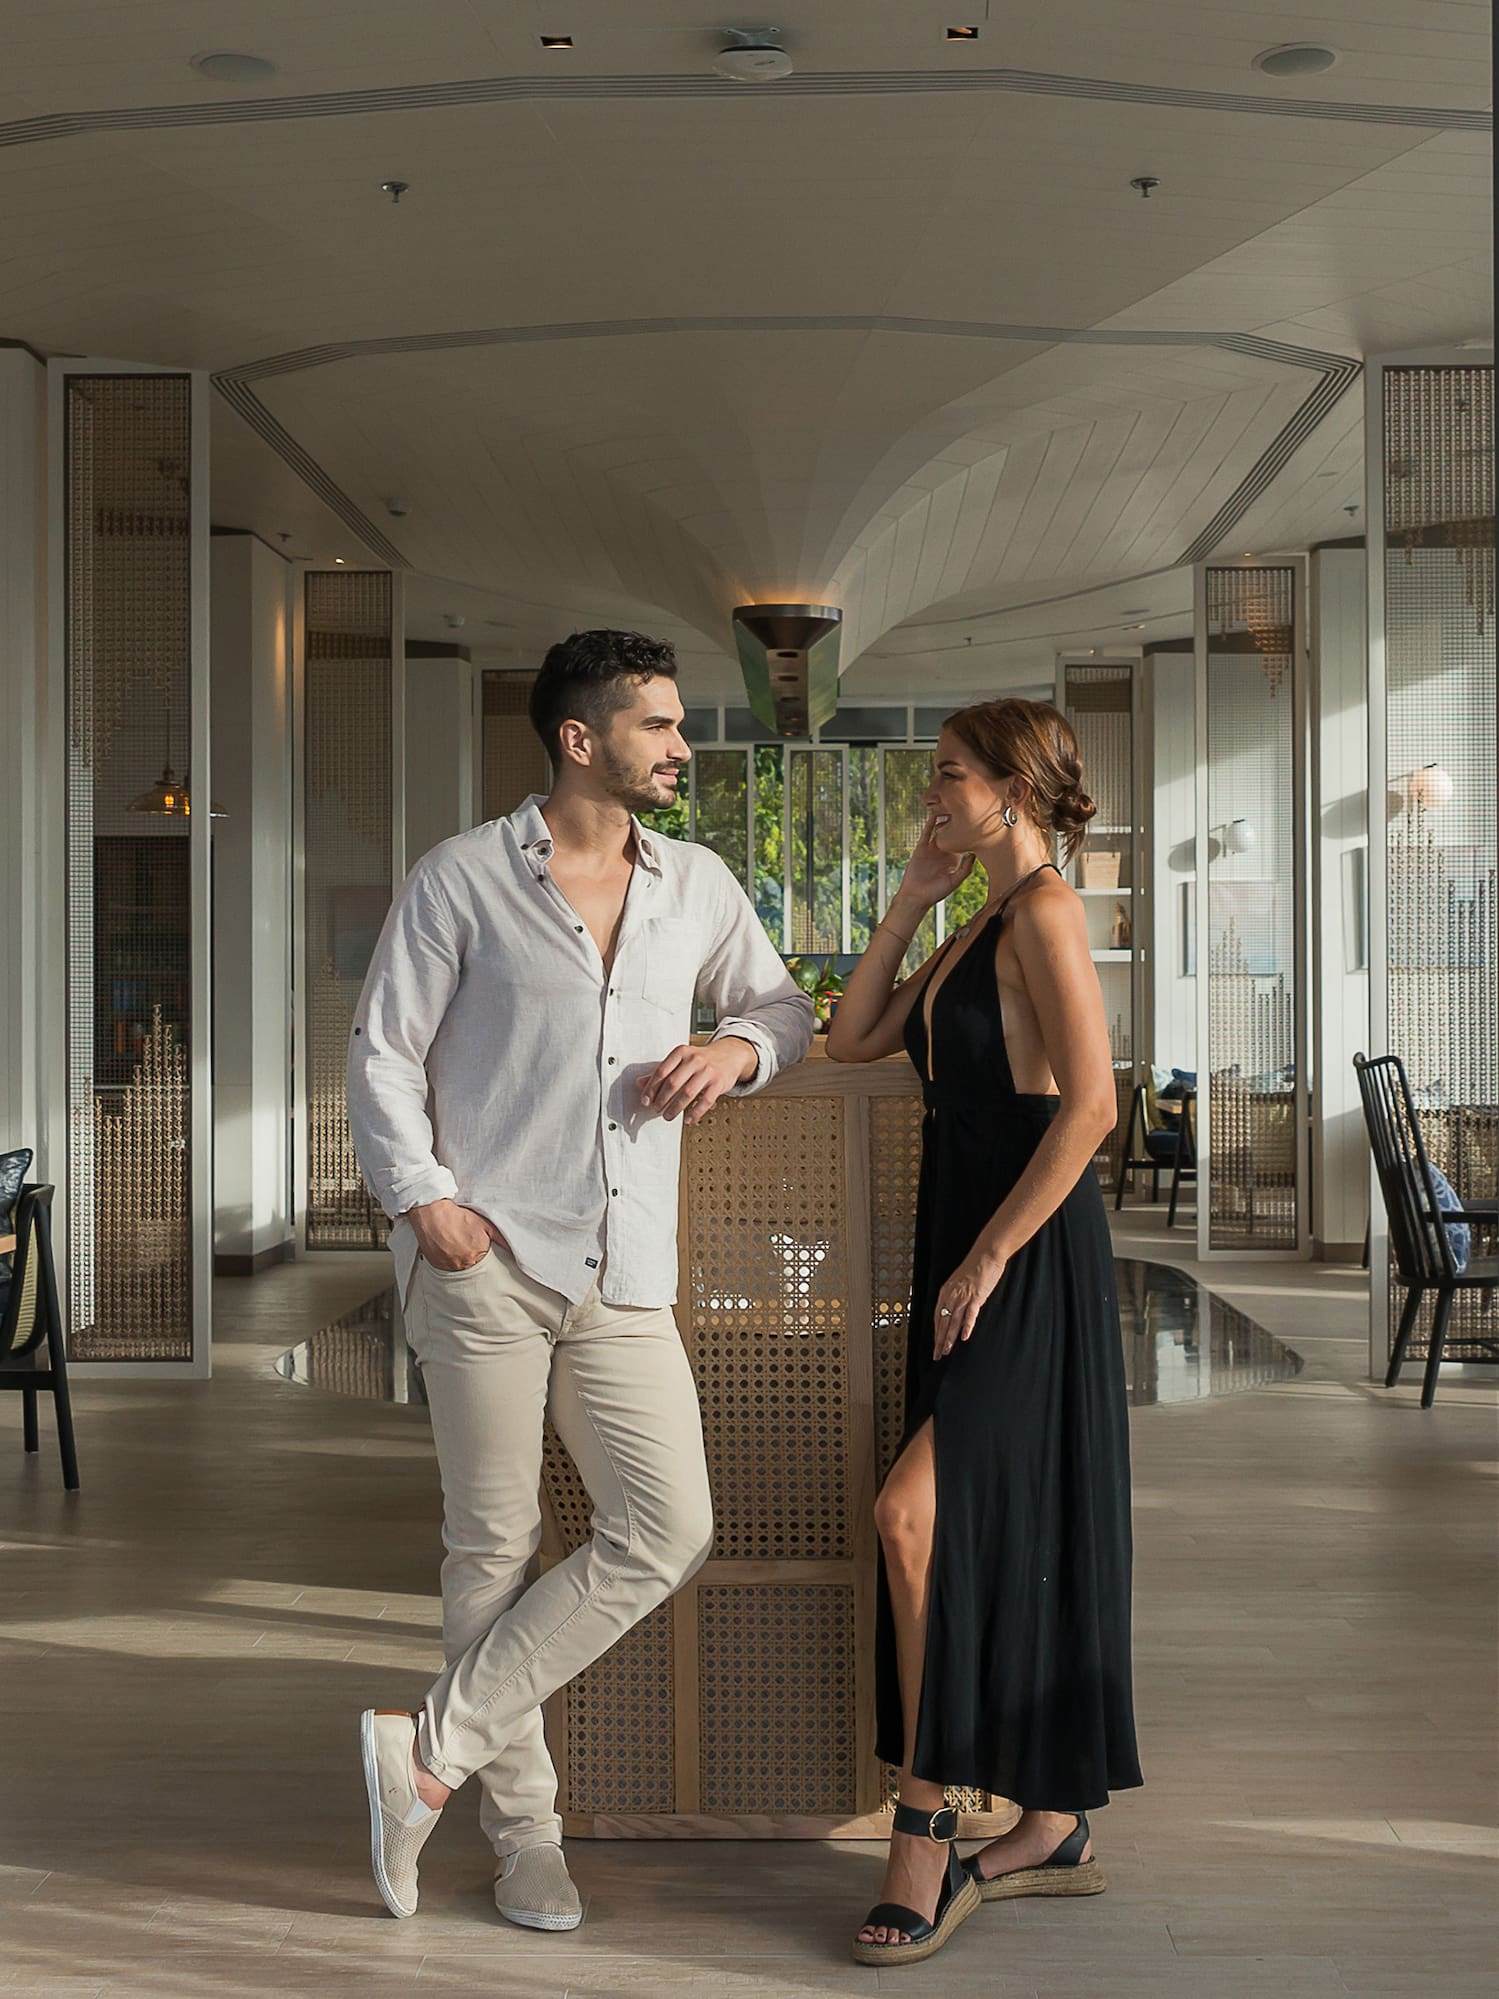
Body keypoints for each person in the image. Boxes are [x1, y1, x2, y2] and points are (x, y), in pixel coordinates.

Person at [346, 630, 814, 1929]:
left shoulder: (695, 884)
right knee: (490, 1548)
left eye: (676, 723)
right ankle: (524, 1842)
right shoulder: (459, 879)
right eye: (656, 723)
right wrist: (426, 1199)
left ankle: (425, 1754)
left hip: (626, 1268)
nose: (679, 745)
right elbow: (381, 1051)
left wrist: (735, 1049)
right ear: (578, 738)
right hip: (484, 1258)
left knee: (666, 1525)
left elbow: (781, 1008)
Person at [828, 698, 1142, 1969]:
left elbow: (1091, 1107)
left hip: (1020, 1254)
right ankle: (1049, 1824)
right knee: (981, 1524)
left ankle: (925, 1829)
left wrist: (989, 1255)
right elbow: (852, 1038)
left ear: (1011, 787)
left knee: (911, 1515)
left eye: (948, 775)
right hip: (967, 1249)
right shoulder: (982, 919)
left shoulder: (1048, 911)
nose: (932, 794)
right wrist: (911, 896)